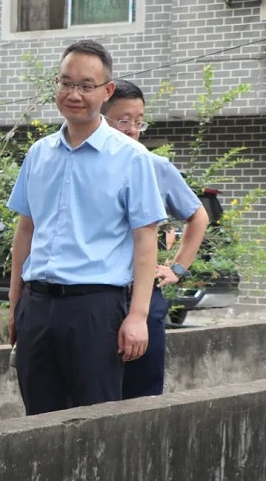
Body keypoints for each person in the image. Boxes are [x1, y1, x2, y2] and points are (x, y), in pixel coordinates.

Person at [7, 40, 167, 416]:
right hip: (37, 307)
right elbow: (25, 230)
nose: (73, 94)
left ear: (106, 91)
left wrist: (137, 317)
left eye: (85, 85)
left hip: (96, 310)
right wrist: (16, 306)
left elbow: (146, 242)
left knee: (95, 422)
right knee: (38, 419)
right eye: (66, 83)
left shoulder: (132, 158)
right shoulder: (39, 154)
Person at [102, 79, 209, 399]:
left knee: (141, 397)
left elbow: (198, 217)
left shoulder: (156, 166)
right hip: (95, 297)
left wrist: (177, 269)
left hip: (143, 296)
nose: (133, 130)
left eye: (139, 121)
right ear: (102, 118)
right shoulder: (87, 163)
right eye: (124, 121)